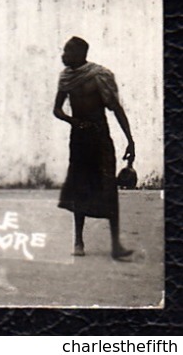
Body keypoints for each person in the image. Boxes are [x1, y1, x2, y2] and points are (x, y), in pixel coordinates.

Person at [53, 37, 135, 260]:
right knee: (79, 187)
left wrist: (130, 139)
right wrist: (73, 121)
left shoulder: (99, 76)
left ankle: (116, 244)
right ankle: (78, 241)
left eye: (68, 51)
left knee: (108, 186)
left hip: (100, 137)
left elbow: (116, 108)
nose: (63, 55)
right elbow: (57, 110)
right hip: (79, 139)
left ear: (81, 54)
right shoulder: (66, 78)